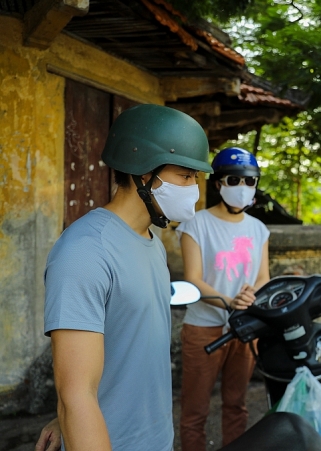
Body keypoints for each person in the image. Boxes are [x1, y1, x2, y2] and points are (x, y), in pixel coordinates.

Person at [40, 104, 213, 451]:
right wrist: (72, 414)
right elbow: (76, 393)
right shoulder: (85, 252)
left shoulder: (152, 242)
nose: (194, 189)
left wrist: (66, 419)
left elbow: (124, 346)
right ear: (143, 173)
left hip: (156, 438)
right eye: (185, 175)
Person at [177, 147, 270, 450]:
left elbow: (262, 276)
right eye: (234, 180)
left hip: (244, 329)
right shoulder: (196, 224)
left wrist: (250, 295)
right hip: (204, 328)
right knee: (195, 411)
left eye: (250, 181)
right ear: (217, 183)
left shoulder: (259, 229)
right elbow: (193, 278)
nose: (242, 188)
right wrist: (230, 301)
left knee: (236, 405)